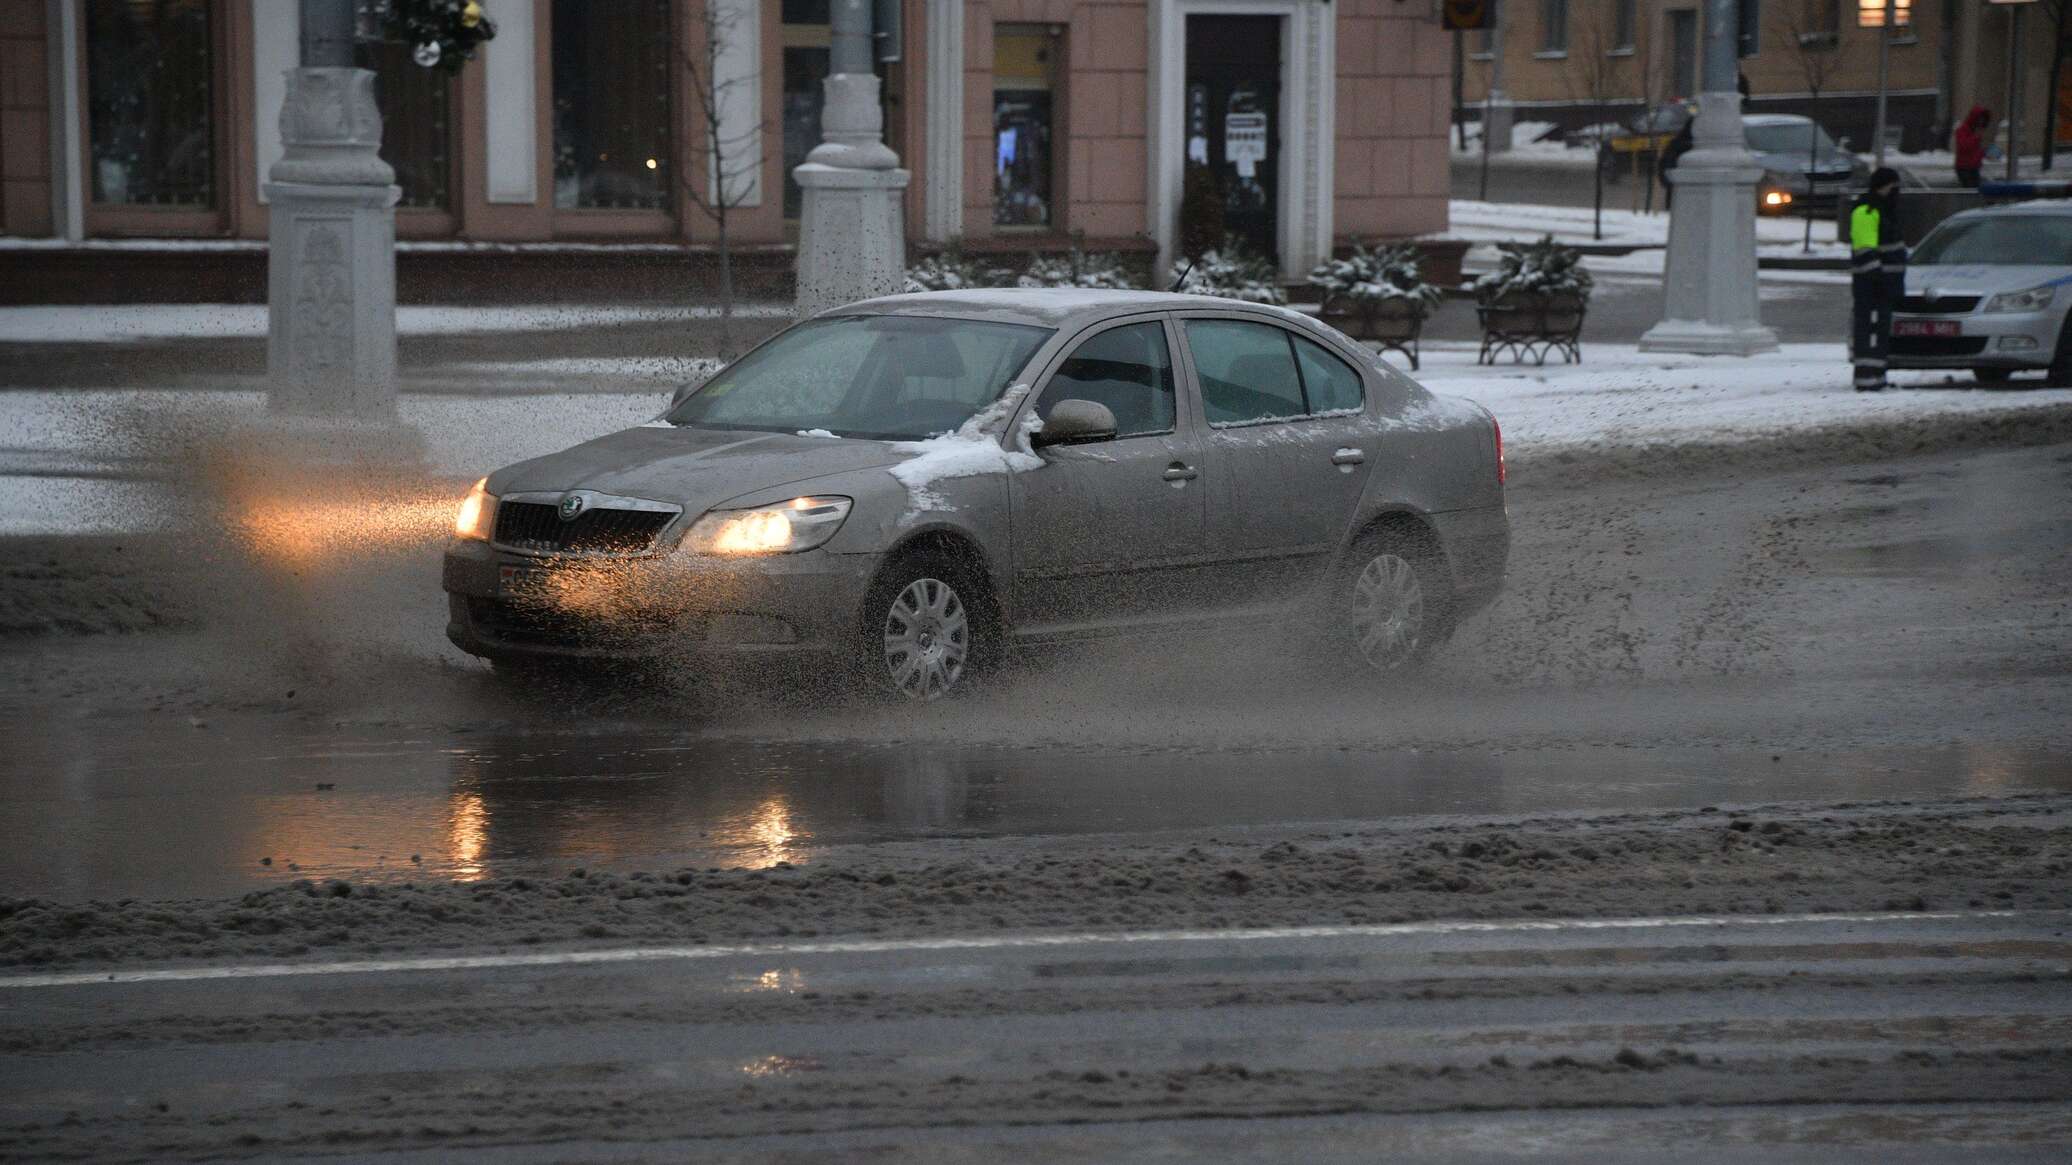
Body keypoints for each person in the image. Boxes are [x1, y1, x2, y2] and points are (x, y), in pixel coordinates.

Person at [1848, 168, 1907, 392]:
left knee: (1880, 330)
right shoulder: (1867, 210)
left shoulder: (1883, 210)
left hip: (1884, 286)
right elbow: (1865, 251)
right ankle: (1867, 379)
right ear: (1884, 185)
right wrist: (1879, 278)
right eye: (1894, 186)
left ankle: (1877, 376)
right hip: (1872, 286)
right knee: (1870, 330)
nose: (1896, 191)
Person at [1953, 106, 1992, 188]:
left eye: (1983, 120)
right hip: (1964, 167)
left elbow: (1975, 150)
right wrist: (1976, 138)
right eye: (1979, 119)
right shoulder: (1963, 130)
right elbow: (1963, 146)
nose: (1981, 122)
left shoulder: (1976, 131)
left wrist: (1984, 154)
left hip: (1974, 167)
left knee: (1975, 189)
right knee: (1970, 189)